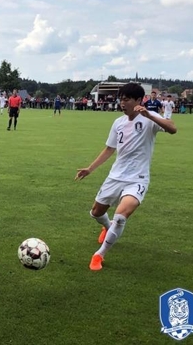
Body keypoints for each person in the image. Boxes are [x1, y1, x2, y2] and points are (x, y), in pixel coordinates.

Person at [75, 83, 177, 271]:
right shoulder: (118, 123)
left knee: (121, 216)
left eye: (127, 99)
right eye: (121, 99)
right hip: (115, 176)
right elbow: (109, 149)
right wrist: (90, 168)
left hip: (137, 179)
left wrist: (149, 115)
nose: (123, 103)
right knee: (96, 213)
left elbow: (172, 128)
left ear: (139, 100)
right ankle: (107, 227)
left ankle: (99, 255)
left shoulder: (149, 117)